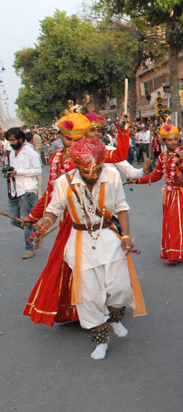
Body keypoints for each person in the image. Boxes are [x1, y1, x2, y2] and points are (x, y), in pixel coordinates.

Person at [36, 137, 145, 360]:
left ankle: (114, 318)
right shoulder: (64, 183)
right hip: (80, 243)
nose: (93, 175)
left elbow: (122, 207)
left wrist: (125, 235)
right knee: (90, 296)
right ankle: (100, 340)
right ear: (77, 167)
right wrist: (45, 223)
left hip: (109, 238)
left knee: (120, 288)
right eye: (87, 172)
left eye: (97, 170)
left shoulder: (112, 175)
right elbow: (53, 210)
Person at [22, 113, 130, 326]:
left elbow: (118, 156)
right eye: (68, 139)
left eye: (77, 139)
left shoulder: (93, 154)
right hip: (71, 222)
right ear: (61, 136)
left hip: (100, 220)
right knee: (69, 266)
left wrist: (124, 133)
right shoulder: (56, 159)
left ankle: (108, 310)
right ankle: (82, 313)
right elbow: (53, 192)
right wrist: (37, 216)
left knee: (109, 270)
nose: (72, 144)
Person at [130, 124, 183, 265]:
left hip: (181, 193)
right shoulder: (162, 157)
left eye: (175, 139)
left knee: (178, 223)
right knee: (172, 223)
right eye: (169, 140)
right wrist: (138, 180)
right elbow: (156, 175)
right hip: (169, 195)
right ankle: (182, 250)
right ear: (164, 141)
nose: (173, 142)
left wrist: (180, 163)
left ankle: (176, 254)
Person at [5, 127, 42, 259]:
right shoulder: (11, 153)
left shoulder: (30, 153)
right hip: (14, 190)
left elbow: (38, 170)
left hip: (27, 189)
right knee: (14, 220)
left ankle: (29, 248)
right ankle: (35, 232)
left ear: (21, 139)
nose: (11, 143)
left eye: (13, 140)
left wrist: (19, 172)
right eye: (9, 141)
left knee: (26, 221)